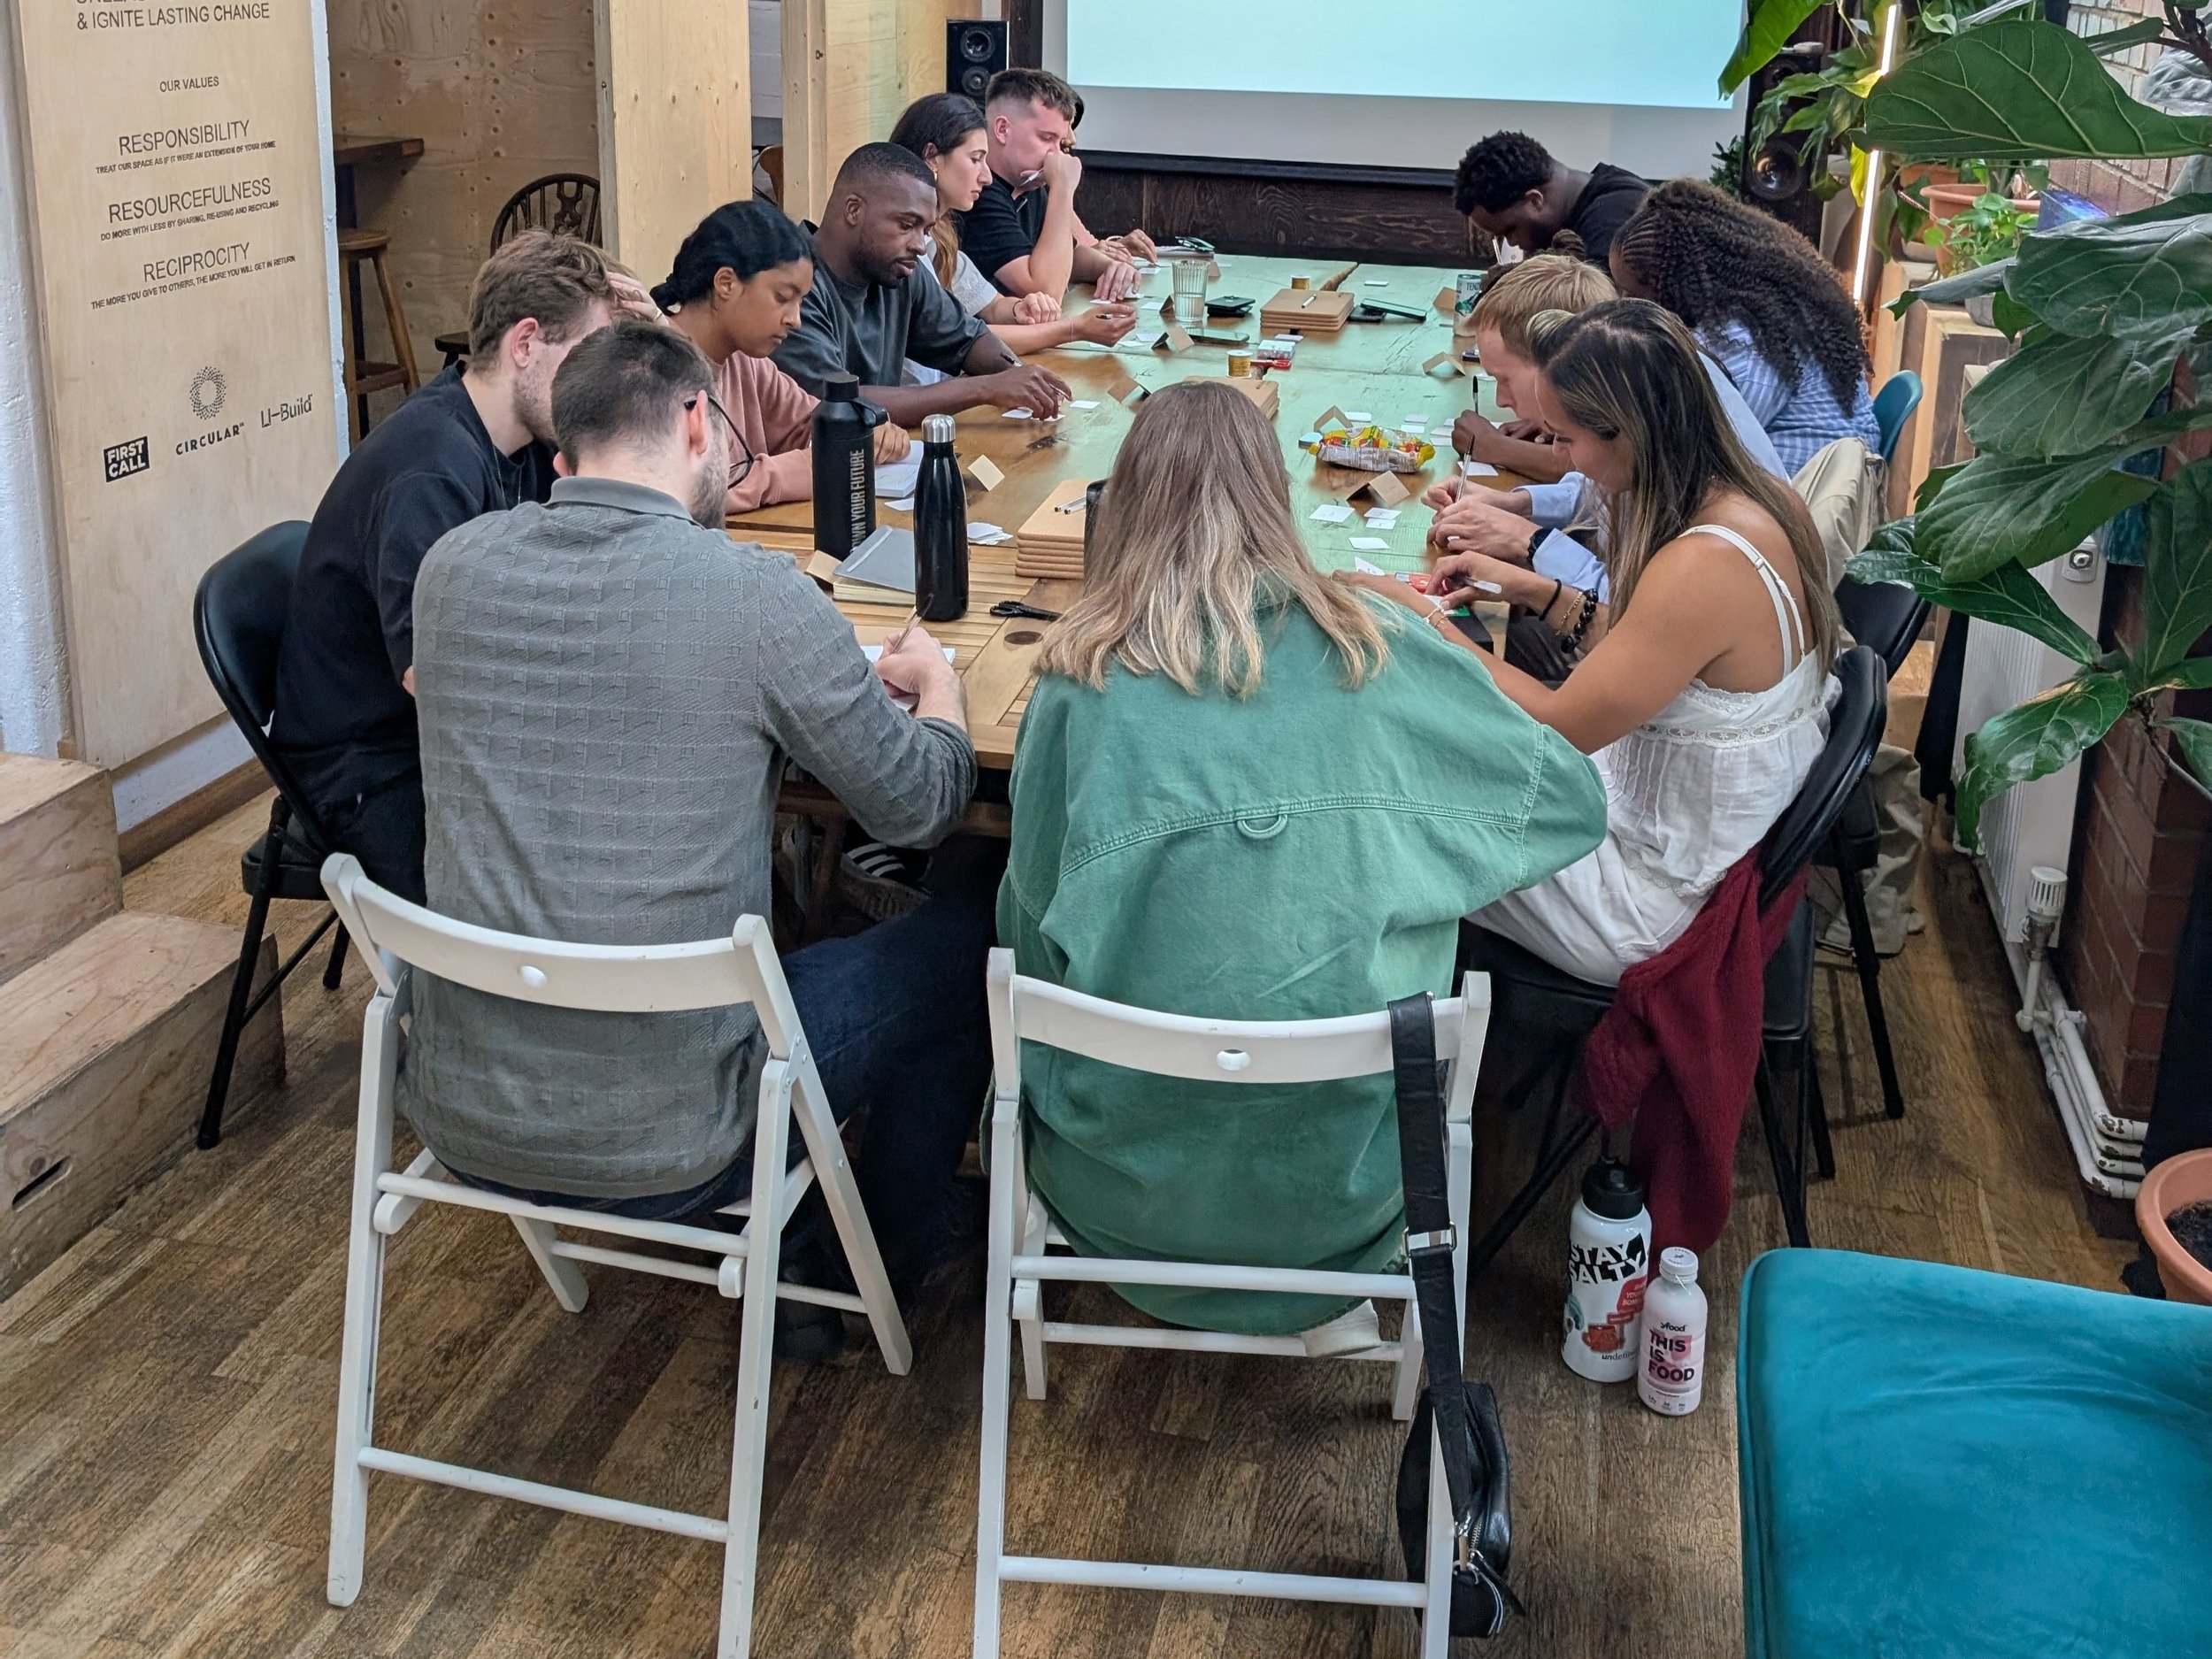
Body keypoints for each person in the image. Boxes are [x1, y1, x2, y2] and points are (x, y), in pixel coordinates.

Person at [1000, 382, 1608, 1339]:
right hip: (1357, 1189)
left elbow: (1030, 936)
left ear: (1123, 509)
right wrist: (1388, 854)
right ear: (1275, 498)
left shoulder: (1075, 687)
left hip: (1120, 1193)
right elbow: (1569, 806)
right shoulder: (1380, 649)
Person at [402, 319, 995, 1295]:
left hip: (462, 1105)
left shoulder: (451, 568)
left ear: (564, 455)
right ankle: (885, 1246)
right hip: (686, 1129)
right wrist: (939, 690)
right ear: (694, 423)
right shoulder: (755, 594)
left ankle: (829, 1229)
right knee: (968, 925)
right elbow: (920, 807)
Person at [1345, 300, 1838, 987]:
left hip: (1645, 900)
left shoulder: (1703, 563)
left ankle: (1396, 1028)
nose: (1560, 461)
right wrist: (1531, 587)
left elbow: (1561, 724)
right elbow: (1660, 656)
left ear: (1627, 432)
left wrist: (1419, 619)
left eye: (1566, 440)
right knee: (1421, 769)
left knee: (1378, 821)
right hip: (1677, 841)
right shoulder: (1756, 502)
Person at [270, 232, 621, 902]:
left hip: (433, 739)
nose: (595, 388)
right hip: (372, 765)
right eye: (585, 358)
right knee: (579, 863)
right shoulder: (430, 469)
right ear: (525, 344)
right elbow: (431, 675)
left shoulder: (520, 443)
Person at [1432, 252, 1790, 608]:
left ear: (1556, 362)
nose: (1500, 399)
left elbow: (1630, 605)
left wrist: (1530, 541)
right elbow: (1597, 488)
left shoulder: (1665, 417)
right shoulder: (1639, 381)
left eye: (1503, 379)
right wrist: (1518, 505)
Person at [772, 142, 1072, 424]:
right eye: (906, 225)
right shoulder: (790, 285)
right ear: (853, 210)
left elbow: (968, 339)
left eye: (925, 230)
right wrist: (986, 389)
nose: (919, 245)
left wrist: (1018, 376)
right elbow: (836, 402)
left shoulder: (898, 271)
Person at [652, 198, 910, 514]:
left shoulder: (749, 364)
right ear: (726, 283)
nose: (795, 320)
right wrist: (807, 467)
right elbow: (689, 491)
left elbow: (810, 423)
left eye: (800, 302)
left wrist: (864, 431)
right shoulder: (650, 366)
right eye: (783, 297)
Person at [1608, 180, 1881, 474]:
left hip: (1815, 489)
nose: (1624, 304)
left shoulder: (1745, 343)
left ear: (1676, 288)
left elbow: (1690, 455)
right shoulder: (1769, 305)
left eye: (1633, 294)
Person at [887, 91, 1137, 360]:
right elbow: (962, 336)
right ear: (932, 157)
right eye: (976, 159)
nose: (986, 177)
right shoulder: (902, 246)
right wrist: (1074, 329)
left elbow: (993, 306)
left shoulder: (942, 237)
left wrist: (1022, 308)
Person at [958, 67, 1156, 303]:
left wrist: (1111, 268)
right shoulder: (980, 194)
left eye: (1060, 142)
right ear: (1002, 129)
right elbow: (1045, 291)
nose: (1057, 154)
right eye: (1046, 138)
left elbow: (1070, 256)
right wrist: (1062, 188)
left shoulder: (1029, 185)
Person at [1454, 131, 1648, 262]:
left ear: (1535, 201)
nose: (1512, 243)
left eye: (1510, 232)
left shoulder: (1612, 226)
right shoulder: (1595, 203)